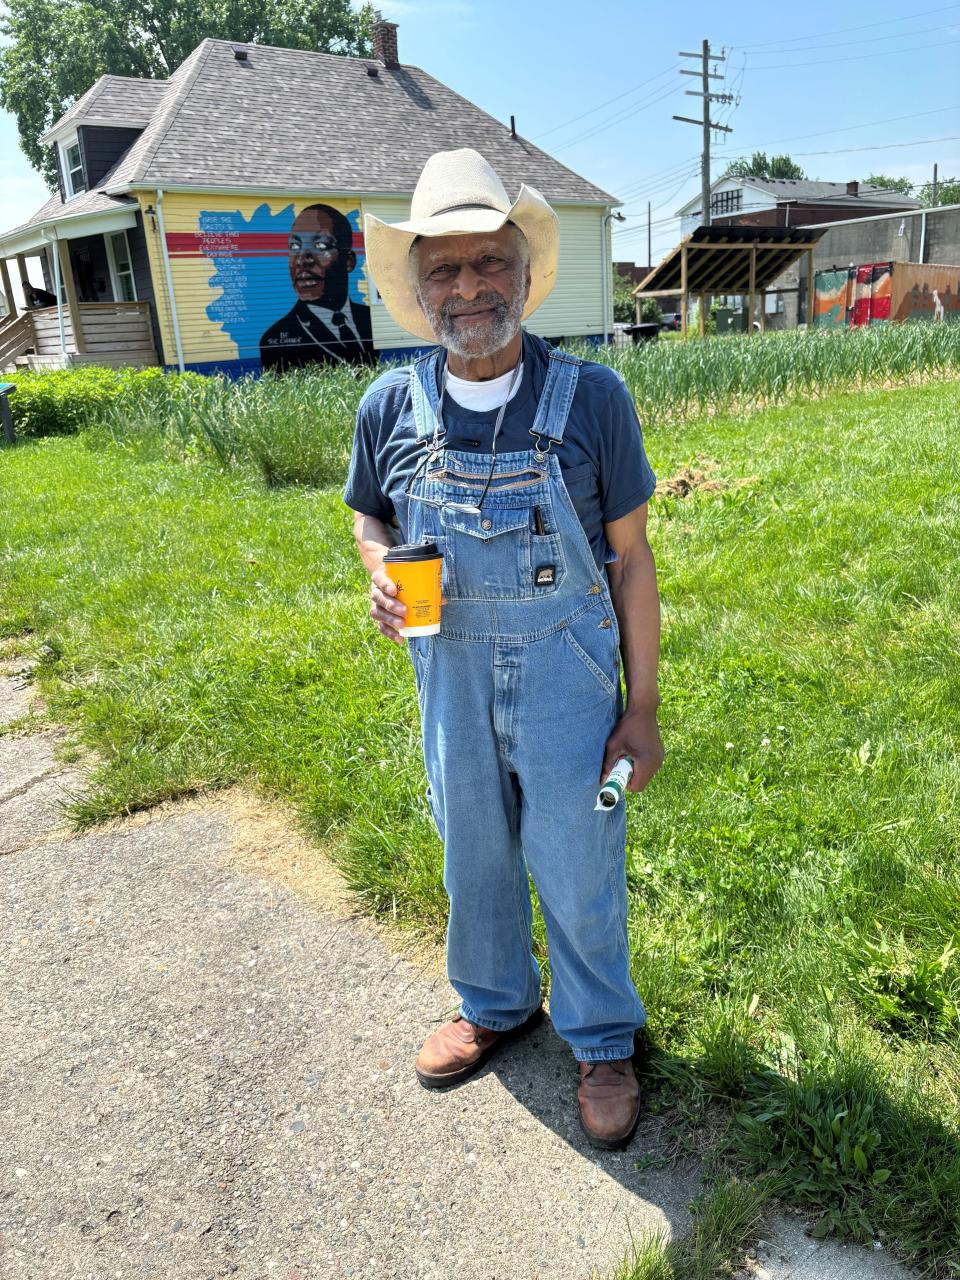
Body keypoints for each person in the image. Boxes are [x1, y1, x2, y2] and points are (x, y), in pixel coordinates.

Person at [344, 149, 664, 1149]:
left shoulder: (593, 399)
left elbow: (633, 561)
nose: (470, 288)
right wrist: (379, 566)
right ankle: (493, 1001)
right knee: (470, 844)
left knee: (580, 850)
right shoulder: (388, 409)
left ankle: (602, 1034)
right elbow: (368, 519)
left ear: (526, 276)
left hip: (573, 683)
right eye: (446, 268)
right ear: (419, 285)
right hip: (448, 680)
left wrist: (643, 708)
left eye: (491, 264)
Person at [259, 203, 374, 372]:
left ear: (349, 261)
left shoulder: (369, 320)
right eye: (295, 247)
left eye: (321, 246)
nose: (302, 259)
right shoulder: (274, 341)